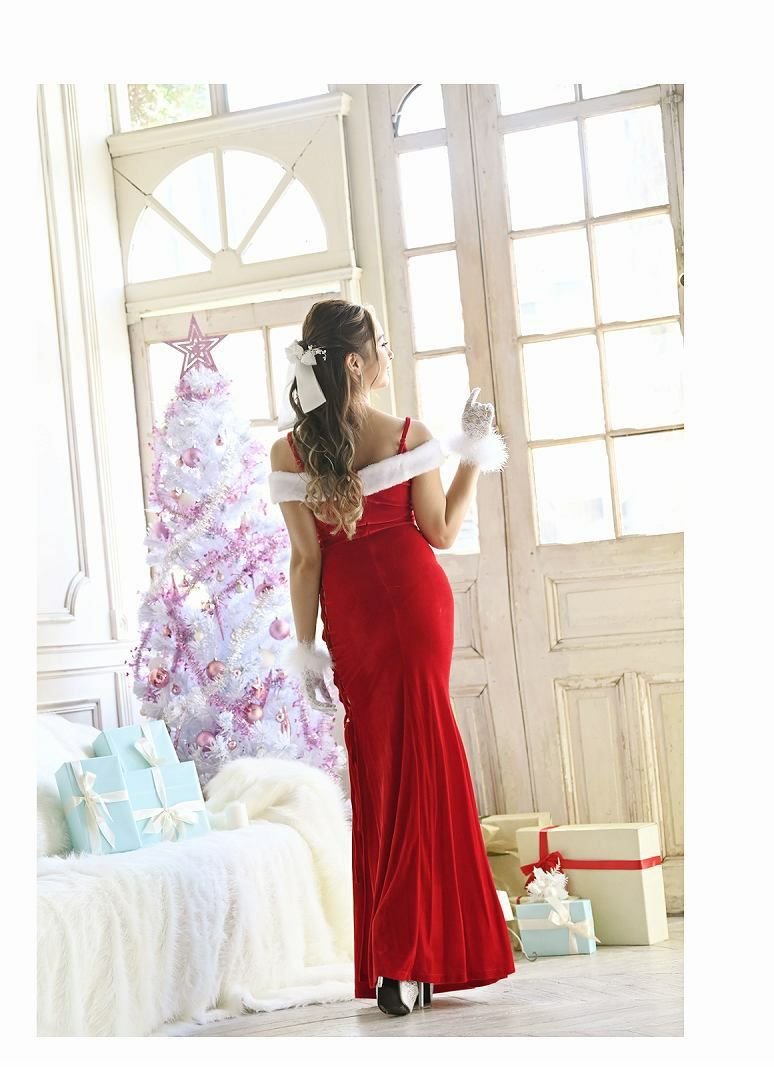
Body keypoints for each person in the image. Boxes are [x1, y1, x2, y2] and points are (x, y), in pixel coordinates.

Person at [269, 298, 515, 1017]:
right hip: (414, 606)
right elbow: (440, 531)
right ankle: (409, 958)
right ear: (355, 362)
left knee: (385, 774)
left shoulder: (288, 452)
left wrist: (308, 648)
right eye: (379, 345)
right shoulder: (409, 434)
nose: (388, 355)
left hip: (353, 620)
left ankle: (403, 958)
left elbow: (305, 560)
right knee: (420, 772)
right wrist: (472, 454)